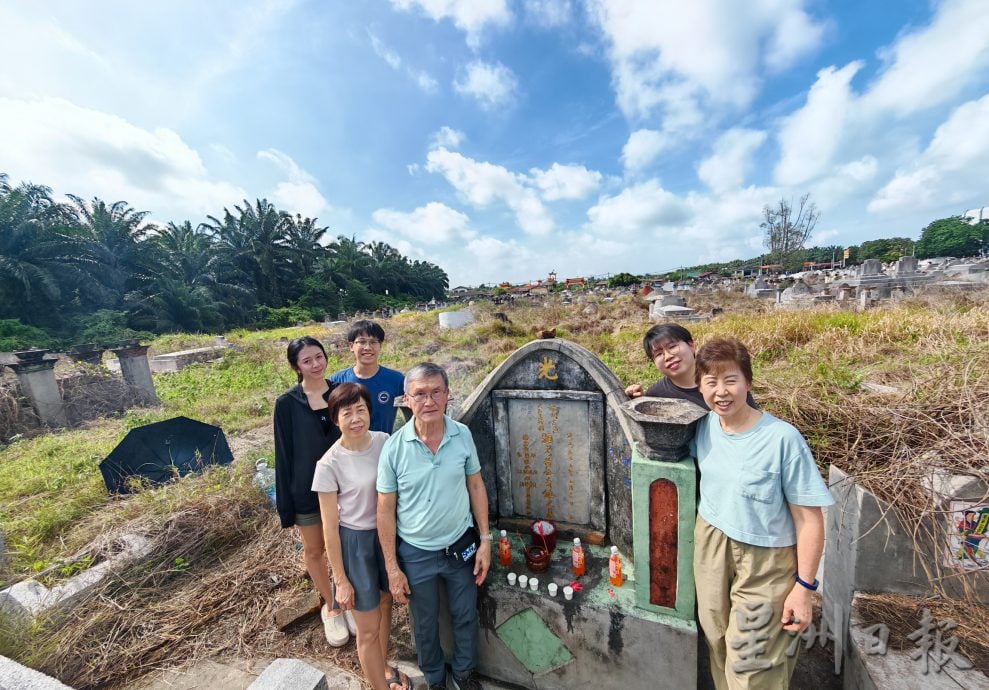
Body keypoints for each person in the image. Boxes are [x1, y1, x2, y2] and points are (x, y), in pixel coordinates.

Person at [690, 338, 833, 689]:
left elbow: (809, 519)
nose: (721, 392)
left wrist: (804, 588)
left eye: (731, 380)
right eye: (711, 382)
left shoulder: (783, 439)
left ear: (748, 383)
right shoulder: (704, 427)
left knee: (754, 660)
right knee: (718, 640)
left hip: (765, 561)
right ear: (700, 388)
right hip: (711, 546)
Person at [376, 362, 490, 690]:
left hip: (460, 544)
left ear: (447, 395)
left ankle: (465, 676)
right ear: (406, 400)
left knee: (465, 615)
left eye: (436, 392)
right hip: (416, 553)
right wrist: (392, 567)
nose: (429, 401)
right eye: (420, 394)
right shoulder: (394, 449)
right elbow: (384, 510)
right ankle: (436, 680)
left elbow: (476, 486)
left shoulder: (461, 435)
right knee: (424, 625)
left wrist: (485, 540)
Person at [312, 383, 409, 690]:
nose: (356, 418)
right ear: (335, 418)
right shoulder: (328, 464)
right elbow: (329, 528)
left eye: (361, 410)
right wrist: (340, 580)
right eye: (347, 413)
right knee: (366, 629)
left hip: (387, 537)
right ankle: (378, 685)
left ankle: (382, 668)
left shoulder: (384, 441)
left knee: (384, 606)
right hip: (356, 544)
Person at [273, 336, 350, 647]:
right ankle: (330, 605)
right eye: (307, 360)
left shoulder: (342, 394)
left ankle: (349, 597)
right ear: (296, 366)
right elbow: (284, 454)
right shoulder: (287, 404)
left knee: (345, 546)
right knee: (316, 550)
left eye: (320, 357)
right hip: (306, 489)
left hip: (345, 487)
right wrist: (286, 504)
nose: (316, 364)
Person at [625, 323, 754, 409]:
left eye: (673, 346)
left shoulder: (723, 379)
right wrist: (639, 401)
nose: (668, 356)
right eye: (658, 354)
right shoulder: (656, 394)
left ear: (691, 345)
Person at [331, 320, 405, 433]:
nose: (367, 347)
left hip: (385, 448)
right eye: (362, 342)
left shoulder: (396, 380)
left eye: (373, 342)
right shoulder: (336, 381)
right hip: (350, 448)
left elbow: (412, 416)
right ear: (351, 346)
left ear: (380, 345)